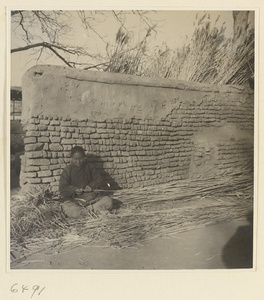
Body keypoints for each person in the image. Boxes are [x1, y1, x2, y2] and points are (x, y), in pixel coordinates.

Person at [59, 146, 113, 218]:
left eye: (81, 159)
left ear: (84, 158)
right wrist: (74, 190)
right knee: (73, 211)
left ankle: (86, 212)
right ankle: (93, 211)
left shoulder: (89, 167)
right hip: (74, 201)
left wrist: (91, 186)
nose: (78, 161)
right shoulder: (68, 170)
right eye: (76, 159)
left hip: (91, 200)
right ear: (71, 158)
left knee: (109, 201)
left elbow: (99, 179)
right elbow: (62, 188)